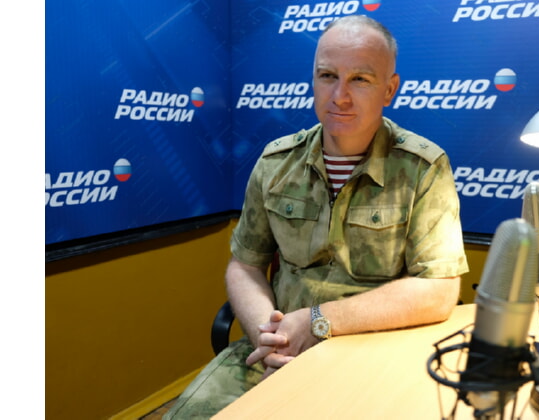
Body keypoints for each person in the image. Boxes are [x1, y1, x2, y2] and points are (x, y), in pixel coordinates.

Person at [164, 14, 469, 419]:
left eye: (360, 79)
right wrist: (268, 336)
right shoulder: (276, 163)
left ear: (389, 89)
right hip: (277, 348)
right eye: (328, 76)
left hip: (374, 352)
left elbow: (439, 289)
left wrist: (317, 321)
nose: (340, 96)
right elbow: (245, 265)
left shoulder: (423, 169)